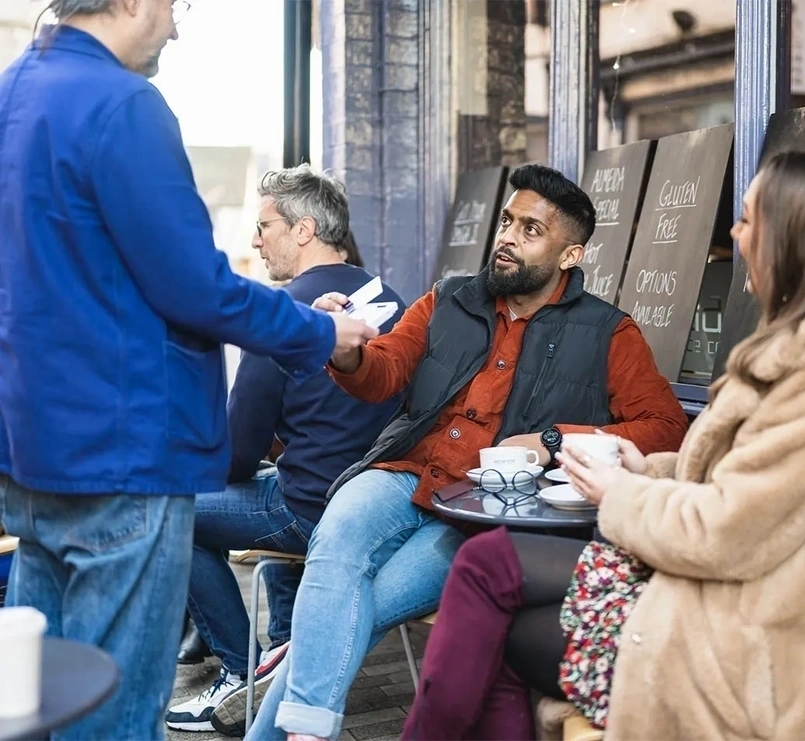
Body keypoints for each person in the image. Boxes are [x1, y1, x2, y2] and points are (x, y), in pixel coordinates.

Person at [0, 3, 375, 740]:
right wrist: (320, 331)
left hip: (32, 453)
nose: (177, 26)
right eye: (176, 5)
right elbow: (195, 288)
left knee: (43, 702)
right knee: (114, 708)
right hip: (123, 454)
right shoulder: (124, 104)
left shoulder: (13, 89)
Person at [237, 163, 689, 741]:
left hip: (483, 507)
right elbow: (383, 372)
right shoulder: (447, 300)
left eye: (531, 230)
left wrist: (556, 440)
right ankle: (309, 731)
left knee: (355, 608)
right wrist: (345, 351)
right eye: (507, 221)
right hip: (402, 471)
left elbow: (665, 426)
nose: (507, 236)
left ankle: (290, 700)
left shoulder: (609, 332)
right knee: (338, 537)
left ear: (570, 255)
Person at [401, 150, 805, 741]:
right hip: (703, 584)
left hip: (736, 632)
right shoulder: (793, 354)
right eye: (508, 222)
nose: (734, 235)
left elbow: (726, 533)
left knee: (487, 601)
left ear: (794, 241)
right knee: (484, 570)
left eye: (750, 220)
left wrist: (622, 491)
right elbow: (748, 487)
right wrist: (654, 469)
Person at [166, 166, 406, 733]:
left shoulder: (284, 319)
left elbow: (237, 457)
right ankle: (285, 648)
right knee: (279, 477)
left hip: (311, 509)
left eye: (264, 224)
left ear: (303, 231)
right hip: (378, 505)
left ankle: (235, 670)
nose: (255, 239)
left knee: (174, 511)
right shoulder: (396, 300)